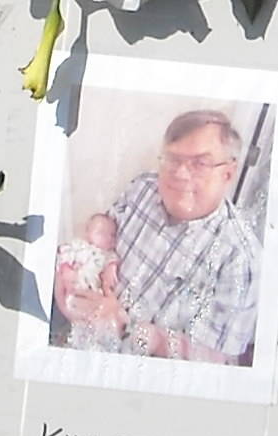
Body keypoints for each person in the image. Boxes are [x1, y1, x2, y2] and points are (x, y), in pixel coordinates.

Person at [104, 107, 262, 366]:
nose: (180, 173)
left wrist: (130, 330)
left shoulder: (240, 260)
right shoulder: (142, 189)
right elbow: (104, 236)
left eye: (199, 163)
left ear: (228, 173)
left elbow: (219, 360)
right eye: (173, 159)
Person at [48, 210, 129, 351]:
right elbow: (64, 254)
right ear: (88, 233)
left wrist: (111, 269)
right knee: (58, 318)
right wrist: (66, 269)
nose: (108, 238)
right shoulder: (79, 246)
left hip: (91, 294)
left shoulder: (108, 254)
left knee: (82, 327)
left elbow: (113, 261)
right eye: (101, 233)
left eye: (112, 235)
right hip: (71, 288)